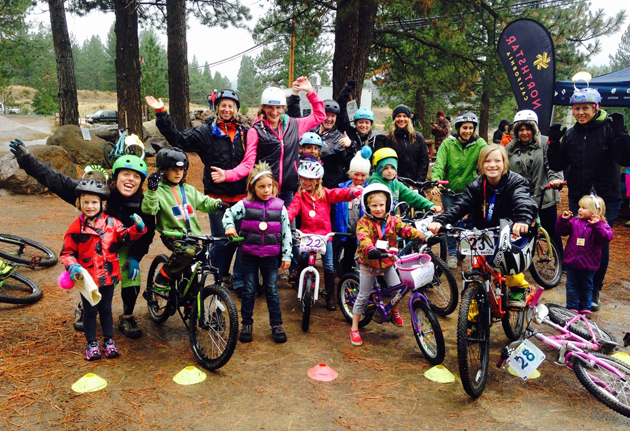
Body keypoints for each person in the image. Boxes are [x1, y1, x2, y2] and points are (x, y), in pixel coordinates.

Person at [9, 140, 155, 338]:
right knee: (90, 275)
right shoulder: (97, 194)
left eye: (136, 176)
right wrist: (26, 160)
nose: (131, 179)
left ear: (141, 181)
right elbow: (56, 180)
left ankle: (127, 317)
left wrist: (136, 256)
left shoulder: (143, 204)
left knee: (131, 278)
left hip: (123, 246)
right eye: (126, 174)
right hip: (94, 245)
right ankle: (83, 307)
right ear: (116, 176)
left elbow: (147, 234)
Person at [146, 89, 247, 293]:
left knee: (241, 240)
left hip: (243, 197)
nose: (227, 109)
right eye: (223, 105)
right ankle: (217, 283)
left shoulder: (245, 132)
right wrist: (162, 114)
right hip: (217, 195)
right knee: (220, 241)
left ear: (236, 108)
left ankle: (238, 279)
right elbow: (179, 140)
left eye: (231, 105)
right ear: (217, 107)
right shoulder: (205, 131)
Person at [548, 85, 630, 311]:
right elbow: (557, 164)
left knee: (599, 243)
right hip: (578, 197)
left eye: (585, 108)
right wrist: (554, 142)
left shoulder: (610, 129)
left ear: (596, 108)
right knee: (577, 240)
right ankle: (576, 289)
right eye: (576, 108)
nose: (580, 113)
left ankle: (594, 290)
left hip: (606, 199)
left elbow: (625, 156)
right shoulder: (572, 134)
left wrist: (621, 130)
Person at [428, 144, 538, 307]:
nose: (492, 165)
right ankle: (472, 310)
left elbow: (522, 200)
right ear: (481, 164)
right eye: (487, 161)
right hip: (481, 231)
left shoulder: (515, 182)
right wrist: (441, 220)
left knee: (509, 265)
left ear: (504, 163)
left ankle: (519, 289)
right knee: (476, 270)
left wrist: (522, 219)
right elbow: (460, 206)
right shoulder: (475, 186)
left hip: (507, 229)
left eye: (497, 161)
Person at [60, 179, 146, 361]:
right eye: (85, 202)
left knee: (106, 309)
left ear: (102, 203)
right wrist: (73, 265)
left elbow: (126, 235)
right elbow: (67, 252)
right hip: (87, 278)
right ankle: (91, 343)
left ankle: (109, 341)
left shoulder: (112, 223)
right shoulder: (76, 228)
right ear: (79, 204)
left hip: (108, 275)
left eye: (94, 202)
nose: (90, 206)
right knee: (90, 311)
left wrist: (138, 228)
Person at [210, 77, 325, 209]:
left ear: (283, 108)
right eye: (270, 107)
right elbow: (248, 164)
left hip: (288, 192)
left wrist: (310, 92)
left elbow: (319, 115)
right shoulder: (255, 131)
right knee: (266, 229)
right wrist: (228, 175)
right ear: (263, 107)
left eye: (278, 107)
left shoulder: (295, 125)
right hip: (264, 192)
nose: (274, 112)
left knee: (288, 229)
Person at [222, 161, 292, 343]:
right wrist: (229, 226)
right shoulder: (245, 204)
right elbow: (228, 214)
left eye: (269, 186)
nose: (266, 190)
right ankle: (247, 324)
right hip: (249, 256)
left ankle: (276, 325)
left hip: (270, 257)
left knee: (271, 290)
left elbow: (286, 232)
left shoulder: (280, 206)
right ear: (253, 187)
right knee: (249, 290)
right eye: (261, 186)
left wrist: (286, 255)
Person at [350, 184, 427, 346]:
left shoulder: (393, 221)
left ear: (388, 204)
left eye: (381, 205)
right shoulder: (364, 223)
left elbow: (406, 230)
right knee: (363, 296)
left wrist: (422, 236)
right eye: (374, 205)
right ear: (367, 205)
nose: (378, 209)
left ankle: (393, 309)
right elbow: (363, 237)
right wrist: (370, 248)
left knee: (398, 289)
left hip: (387, 262)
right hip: (369, 264)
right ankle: (354, 327)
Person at [287, 158, 363, 310]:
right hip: (307, 234)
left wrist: (353, 193)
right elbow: (292, 210)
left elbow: (339, 194)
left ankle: (330, 295)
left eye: (311, 179)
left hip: (324, 236)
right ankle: (297, 271)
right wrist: (286, 219)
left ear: (318, 181)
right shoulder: (299, 196)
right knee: (305, 256)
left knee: (328, 264)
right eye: (303, 178)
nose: (307, 182)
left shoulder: (325, 194)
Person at [141, 147, 223, 289]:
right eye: (173, 169)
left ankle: (190, 304)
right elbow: (149, 209)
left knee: (196, 270)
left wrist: (218, 204)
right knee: (188, 251)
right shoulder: (159, 191)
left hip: (192, 237)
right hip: (173, 235)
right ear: (163, 170)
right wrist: (152, 192)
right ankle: (163, 276)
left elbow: (204, 202)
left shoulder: (188, 190)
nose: (178, 173)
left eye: (181, 169)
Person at [430, 111, 487, 268]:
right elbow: (439, 164)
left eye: (470, 128)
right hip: (449, 191)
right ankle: (453, 253)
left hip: (470, 191)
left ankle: (466, 248)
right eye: (464, 128)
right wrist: (437, 182)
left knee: (471, 222)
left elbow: (487, 159)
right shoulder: (448, 144)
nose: (467, 131)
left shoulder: (480, 143)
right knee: (449, 222)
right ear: (458, 128)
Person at [506, 109, 563, 256]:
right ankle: (522, 259)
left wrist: (555, 179)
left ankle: (559, 260)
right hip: (519, 198)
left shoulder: (545, 142)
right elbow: (503, 169)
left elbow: (552, 163)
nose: (525, 133)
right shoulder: (509, 148)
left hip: (543, 195)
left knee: (551, 230)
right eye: (521, 129)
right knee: (519, 229)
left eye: (528, 129)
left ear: (534, 129)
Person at [556, 195, 613, 317]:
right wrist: (563, 220)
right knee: (571, 285)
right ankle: (572, 306)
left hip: (589, 263)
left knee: (587, 286)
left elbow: (606, 237)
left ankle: (585, 307)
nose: (580, 210)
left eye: (584, 208)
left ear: (596, 211)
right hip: (572, 261)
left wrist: (596, 225)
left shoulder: (602, 225)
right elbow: (561, 231)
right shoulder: (574, 222)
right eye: (580, 207)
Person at [334, 146, 372, 275]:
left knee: (351, 254)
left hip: (358, 229)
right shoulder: (342, 188)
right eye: (356, 174)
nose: (359, 178)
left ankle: (349, 274)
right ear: (351, 173)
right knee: (337, 252)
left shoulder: (369, 191)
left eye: (363, 175)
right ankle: (340, 271)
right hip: (343, 228)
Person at [369, 148, 439, 213]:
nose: (390, 171)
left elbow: (411, 195)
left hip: (391, 222)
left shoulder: (395, 183)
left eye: (393, 167)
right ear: (378, 169)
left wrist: (430, 205)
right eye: (385, 168)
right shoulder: (376, 185)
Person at [374, 104, 429, 184]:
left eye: (404, 116)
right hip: (396, 183)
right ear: (394, 119)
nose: (401, 119)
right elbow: (388, 163)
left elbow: (424, 161)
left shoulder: (418, 137)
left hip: (416, 183)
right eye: (398, 116)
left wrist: (418, 182)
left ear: (409, 118)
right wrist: (399, 182)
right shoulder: (389, 139)